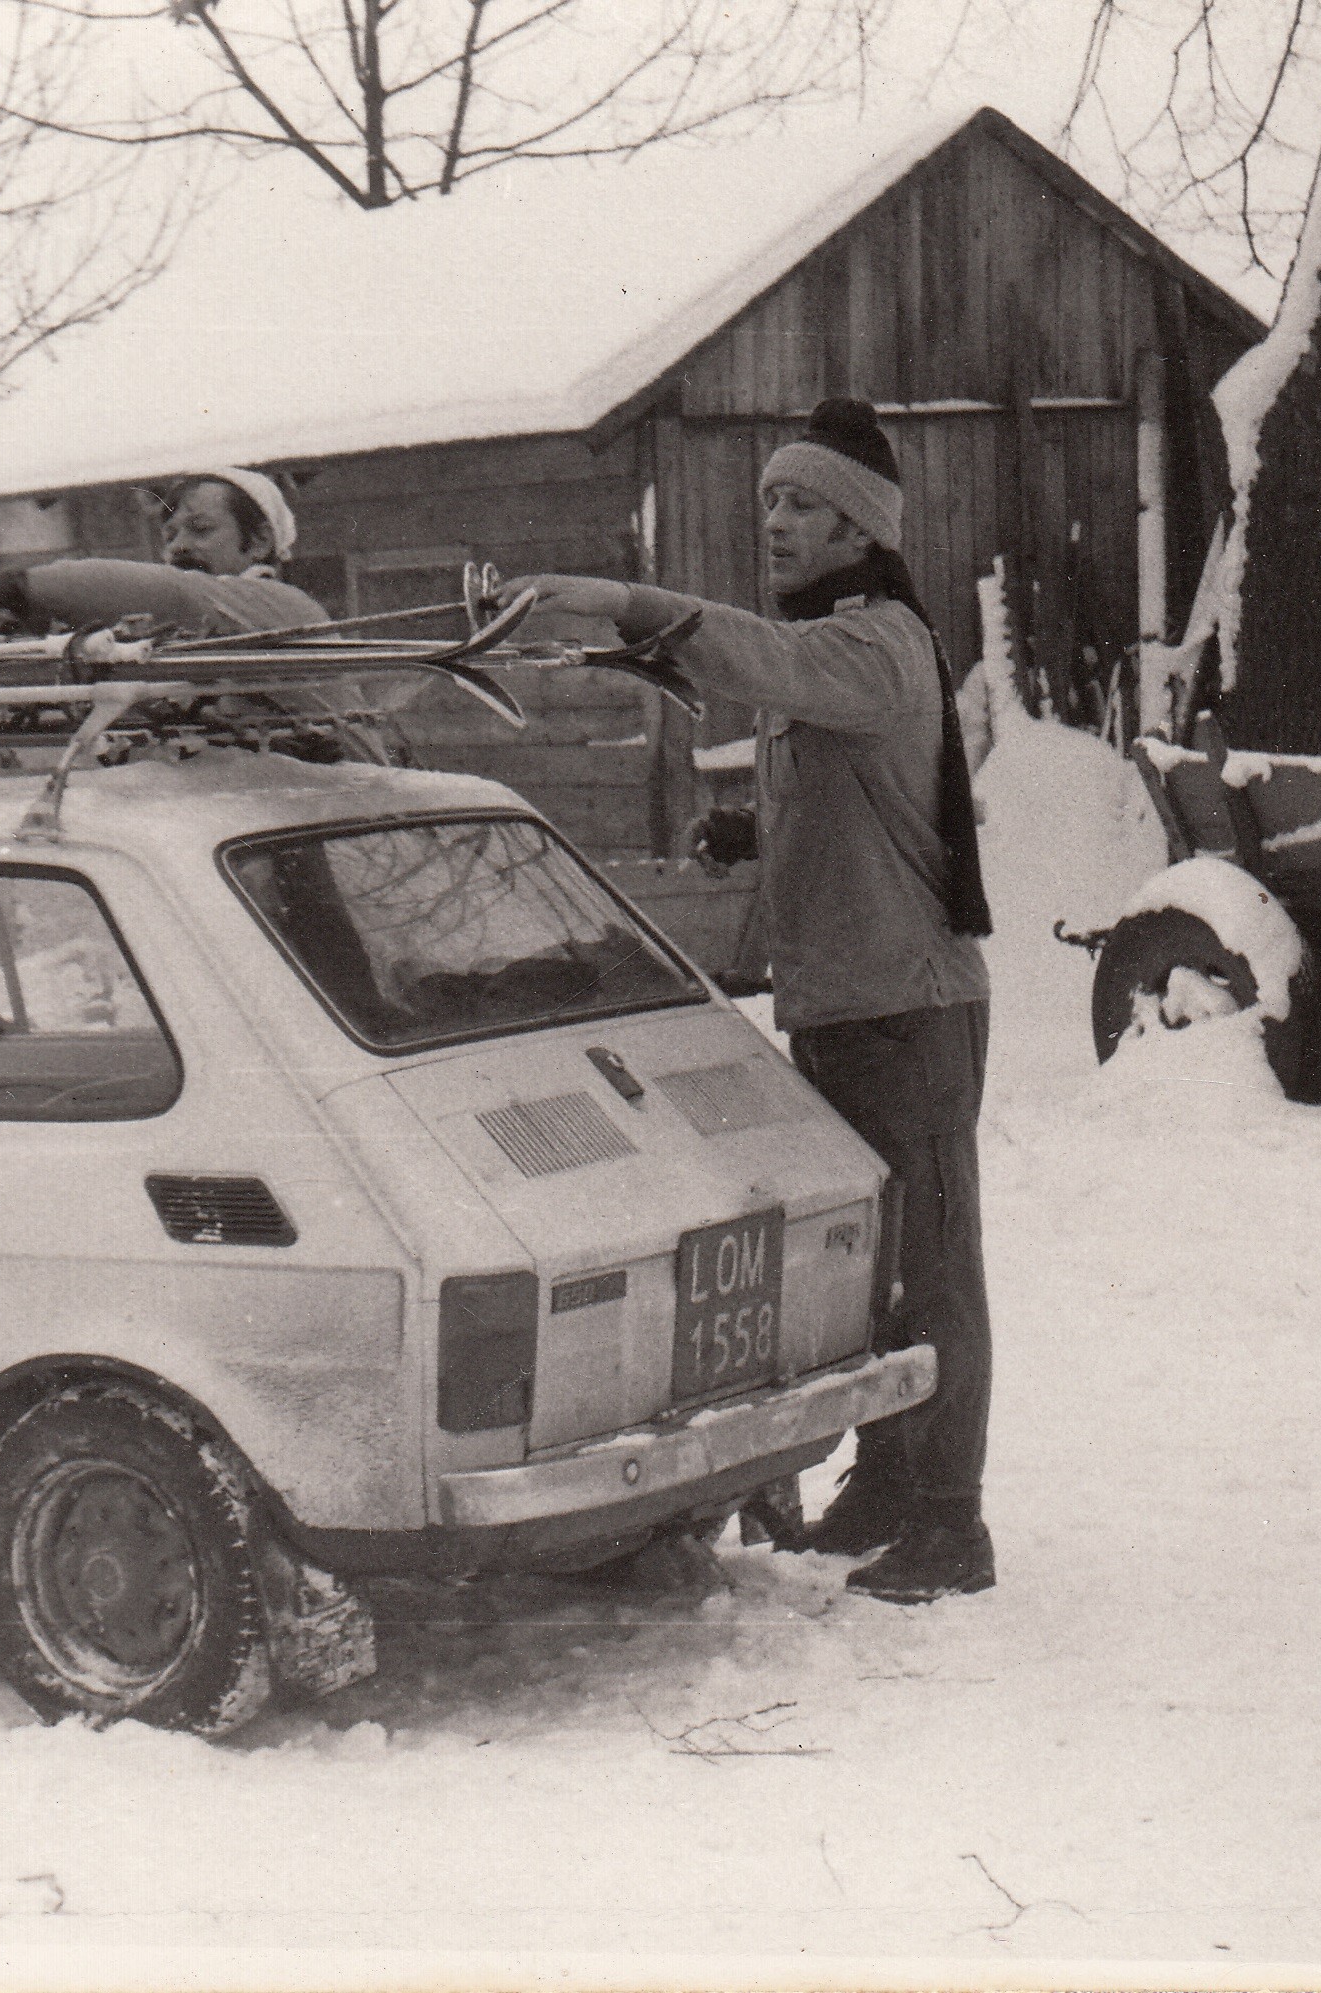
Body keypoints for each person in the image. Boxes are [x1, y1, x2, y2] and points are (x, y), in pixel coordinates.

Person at [502, 397, 998, 1604]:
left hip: (908, 1007)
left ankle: (951, 1519)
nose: (773, 519)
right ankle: (884, 1483)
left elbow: (764, 662)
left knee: (931, 1269)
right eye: (770, 498)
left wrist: (629, 606)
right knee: (872, 1265)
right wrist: (747, 827)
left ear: (857, 527)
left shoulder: (873, 641)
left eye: (801, 503)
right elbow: (850, 807)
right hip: (841, 1004)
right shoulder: (832, 647)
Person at [0, 467, 326, 647]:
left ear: (258, 543)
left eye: (201, 529)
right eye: (170, 534)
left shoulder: (285, 608)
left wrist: (8, 589)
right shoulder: (172, 631)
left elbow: (182, 593)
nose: (177, 547)